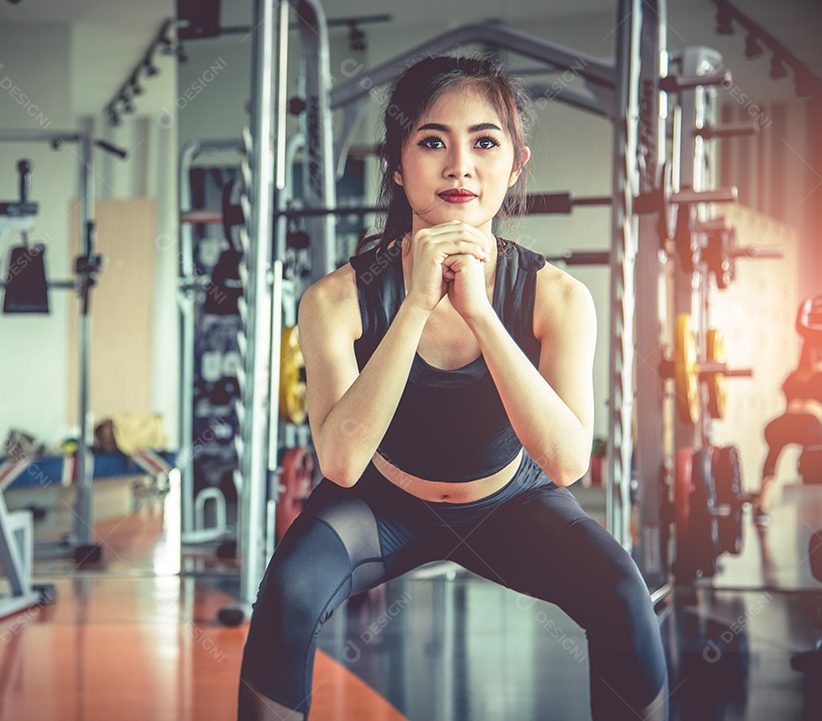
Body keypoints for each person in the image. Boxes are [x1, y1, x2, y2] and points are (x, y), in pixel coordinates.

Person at [235, 55, 668, 720]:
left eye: (484, 142)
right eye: (433, 141)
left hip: (510, 504)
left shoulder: (558, 298)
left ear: (514, 164)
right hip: (379, 510)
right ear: (398, 163)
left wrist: (481, 315)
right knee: (289, 593)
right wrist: (412, 306)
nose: (459, 165)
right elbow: (343, 462)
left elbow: (568, 462)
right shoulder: (335, 299)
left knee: (621, 590)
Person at [750, 342, 822, 527]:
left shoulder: (802, 376)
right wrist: (810, 405)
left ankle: (762, 506)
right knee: (774, 450)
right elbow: (793, 405)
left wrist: (807, 404)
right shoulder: (797, 376)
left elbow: (797, 404)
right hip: (798, 425)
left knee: (775, 450)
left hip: (803, 426)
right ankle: (762, 506)